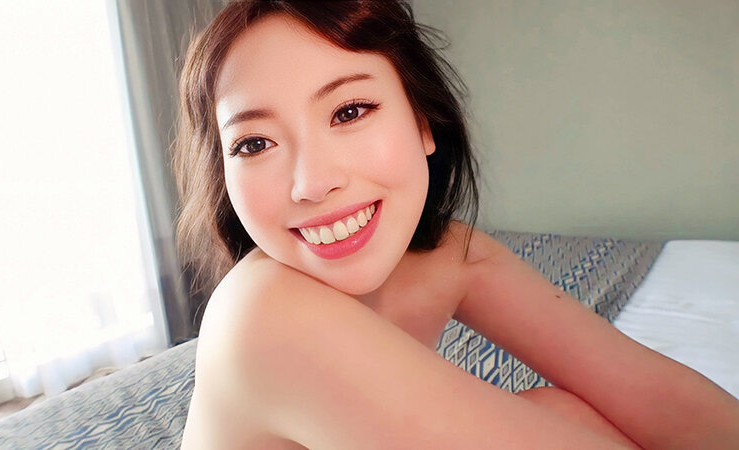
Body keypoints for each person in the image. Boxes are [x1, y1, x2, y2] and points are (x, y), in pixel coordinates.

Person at [174, 1, 739, 448]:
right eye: (254, 144)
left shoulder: (449, 256)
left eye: (349, 111)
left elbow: (649, 389)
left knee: (560, 409)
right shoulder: (263, 314)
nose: (312, 183)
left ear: (424, 123)